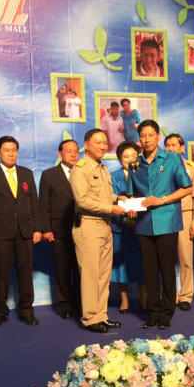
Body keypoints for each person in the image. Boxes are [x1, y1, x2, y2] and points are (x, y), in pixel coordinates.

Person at [127, 120, 192, 329]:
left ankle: (166, 314)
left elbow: (187, 188)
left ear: (158, 136)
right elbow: (131, 194)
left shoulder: (172, 158)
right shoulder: (134, 164)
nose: (146, 139)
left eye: (150, 135)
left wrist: (162, 200)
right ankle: (153, 313)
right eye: (142, 136)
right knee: (150, 271)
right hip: (144, 224)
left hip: (167, 221)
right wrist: (130, 206)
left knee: (167, 269)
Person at [0, 136, 42, 326]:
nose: (11, 154)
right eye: (6, 150)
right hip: (1, 233)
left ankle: (27, 311)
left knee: (26, 274)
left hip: (25, 231)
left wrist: (37, 228)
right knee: (1, 275)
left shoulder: (26, 173)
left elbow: (34, 203)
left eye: (14, 150)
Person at [69, 129, 126, 333]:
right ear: (86, 144)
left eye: (104, 142)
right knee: (91, 275)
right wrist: (112, 208)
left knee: (103, 275)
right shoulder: (80, 169)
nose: (102, 146)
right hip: (89, 226)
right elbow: (83, 201)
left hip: (104, 226)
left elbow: (104, 195)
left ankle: (101, 315)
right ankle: (90, 318)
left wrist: (118, 198)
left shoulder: (103, 168)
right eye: (97, 142)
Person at [39, 139, 81, 320]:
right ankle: (64, 305)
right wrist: (46, 229)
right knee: (62, 270)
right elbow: (43, 205)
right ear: (59, 154)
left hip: (82, 228)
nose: (73, 154)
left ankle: (81, 303)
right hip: (58, 230)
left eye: (76, 151)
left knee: (80, 270)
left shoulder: (83, 172)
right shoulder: (49, 175)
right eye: (69, 151)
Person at [164, 133, 194, 311]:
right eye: (168, 145)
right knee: (167, 260)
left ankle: (186, 296)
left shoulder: (192, 168)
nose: (171, 148)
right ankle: (171, 295)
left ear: (182, 148)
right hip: (166, 215)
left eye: (174, 145)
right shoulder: (160, 166)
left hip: (185, 215)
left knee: (186, 258)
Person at [110, 141, 146, 314]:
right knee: (121, 266)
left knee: (143, 263)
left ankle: (145, 297)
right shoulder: (112, 177)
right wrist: (123, 210)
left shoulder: (144, 174)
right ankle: (124, 298)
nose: (130, 159)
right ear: (119, 159)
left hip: (142, 225)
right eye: (126, 156)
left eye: (133, 155)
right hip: (120, 226)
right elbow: (109, 199)